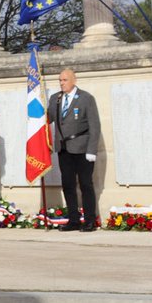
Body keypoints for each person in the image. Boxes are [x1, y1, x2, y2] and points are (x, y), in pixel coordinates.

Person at [47, 68, 101, 232]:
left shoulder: (86, 98)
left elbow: (95, 126)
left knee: (85, 184)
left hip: (83, 148)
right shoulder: (55, 98)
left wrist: (92, 150)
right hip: (64, 148)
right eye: (60, 80)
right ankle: (74, 220)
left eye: (65, 80)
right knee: (68, 185)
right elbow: (48, 118)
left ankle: (90, 220)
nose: (62, 83)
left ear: (73, 80)